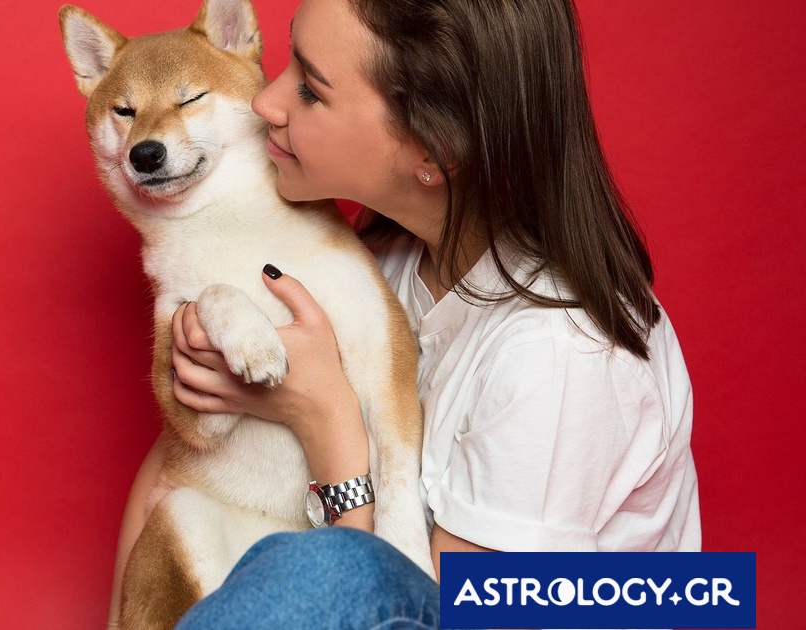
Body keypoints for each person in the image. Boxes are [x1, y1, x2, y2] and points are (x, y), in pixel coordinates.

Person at [113, 0, 701, 627]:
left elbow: (425, 610)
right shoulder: (387, 259)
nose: (265, 101)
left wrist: (326, 420)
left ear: (433, 149)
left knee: (308, 570)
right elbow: (173, 473)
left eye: (310, 90)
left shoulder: (556, 357)